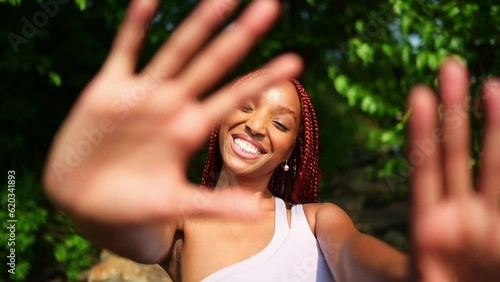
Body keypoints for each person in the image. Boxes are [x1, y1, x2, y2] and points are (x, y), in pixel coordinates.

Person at [42, 0, 500, 281]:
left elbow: (362, 263)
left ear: (290, 154)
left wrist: (417, 276)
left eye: (280, 125)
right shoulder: (180, 223)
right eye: (245, 107)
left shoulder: (318, 222)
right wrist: (88, 196)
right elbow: (128, 231)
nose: (257, 126)